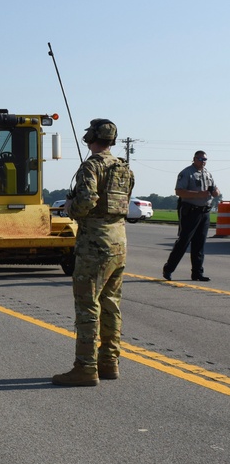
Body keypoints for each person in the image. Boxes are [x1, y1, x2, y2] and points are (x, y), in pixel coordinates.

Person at [52, 119, 134, 386]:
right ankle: (109, 363)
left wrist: (70, 207)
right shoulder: (124, 167)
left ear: (91, 137)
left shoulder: (91, 165)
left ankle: (86, 367)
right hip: (119, 241)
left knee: (88, 305)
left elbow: (86, 201)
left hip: (94, 245)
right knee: (111, 304)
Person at [163, 151, 221, 281]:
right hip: (191, 211)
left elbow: (215, 190)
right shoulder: (187, 173)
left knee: (199, 244)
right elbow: (179, 191)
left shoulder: (207, 173)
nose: (203, 161)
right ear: (194, 159)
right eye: (200, 159)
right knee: (183, 242)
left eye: (205, 159)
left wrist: (216, 192)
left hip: (204, 212)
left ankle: (197, 273)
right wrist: (198, 194)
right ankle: (168, 269)